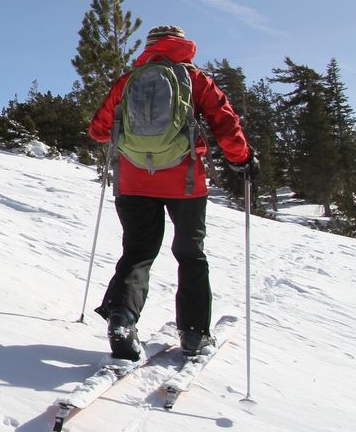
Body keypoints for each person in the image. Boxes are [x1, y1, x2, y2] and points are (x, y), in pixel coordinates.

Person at [88, 25, 258, 360]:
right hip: (185, 183)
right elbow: (225, 123)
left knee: (137, 252)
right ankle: (194, 335)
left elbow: (98, 131)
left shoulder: (128, 81)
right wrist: (243, 159)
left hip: (134, 182)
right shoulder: (195, 80)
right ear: (183, 45)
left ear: (149, 47)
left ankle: (122, 319)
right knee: (190, 254)